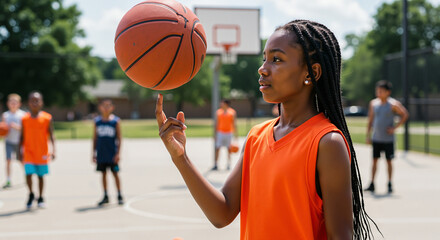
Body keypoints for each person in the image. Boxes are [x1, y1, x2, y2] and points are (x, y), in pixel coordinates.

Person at [156, 20, 377, 239]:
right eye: (264, 59)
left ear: (311, 73)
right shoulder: (256, 137)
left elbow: (341, 237)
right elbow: (221, 214)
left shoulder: (326, 143)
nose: (263, 68)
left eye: (276, 59)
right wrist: (181, 158)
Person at [365, 80, 409, 194]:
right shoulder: (373, 104)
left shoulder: (393, 104)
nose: (379, 92)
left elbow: (405, 114)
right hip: (376, 138)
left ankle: (389, 183)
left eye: (381, 91)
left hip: (388, 139)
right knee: (374, 161)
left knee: (389, 161)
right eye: (377, 90)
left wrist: (394, 128)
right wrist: (368, 135)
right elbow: (370, 120)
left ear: (388, 92)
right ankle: (372, 183)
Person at [19, 91, 56, 209]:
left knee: (41, 176)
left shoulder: (47, 118)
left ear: (41, 102)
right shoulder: (24, 119)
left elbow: (52, 135)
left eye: (37, 100)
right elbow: (22, 136)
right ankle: (31, 194)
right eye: (32, 100)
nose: (35, 103)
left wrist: (54, 149)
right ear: (28, 103)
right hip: (28, 151)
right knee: (28, 174)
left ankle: (40, 197)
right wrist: (19, 151)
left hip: (42, 152)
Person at [92, 99, 123, 206]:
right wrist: (93, 153)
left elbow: (119, 138)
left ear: (112, 107)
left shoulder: (115, 121)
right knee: (103, 174)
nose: (106, 107)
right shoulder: (97, 121)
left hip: (112, 153)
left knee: (115, 174)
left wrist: (118, 153)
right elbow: (95, 138)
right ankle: (105, 195)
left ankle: (119, 195)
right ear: (100, 107)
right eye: (104, 105)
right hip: (101, 153)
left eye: (108, 105)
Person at [2, 93, 26, 188]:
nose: (13, 104)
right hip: (8, 141)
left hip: (19, 142)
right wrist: (3, 130)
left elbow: (25, 129)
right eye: (11, 102)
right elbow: (3, 128)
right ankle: (8, 180)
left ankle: (26, 176)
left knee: (21, 160)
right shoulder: (5, 115)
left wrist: (16, 127)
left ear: (19, 104)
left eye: (15, 102)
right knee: (8, 160)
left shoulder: (22, 115)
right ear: (8, 104)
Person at [212, 99, 237, 171]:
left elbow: (234, 124)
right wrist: (215, 134)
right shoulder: (218, 112)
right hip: (220, 133)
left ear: (226, 104)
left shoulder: (232, 112)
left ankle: (229, 164)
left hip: (229, 133)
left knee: (229, 149)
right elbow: (216, 124)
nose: (221, 104)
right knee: (217, 148)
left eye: (222, 103)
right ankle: (216, 164)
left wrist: (236, 135)